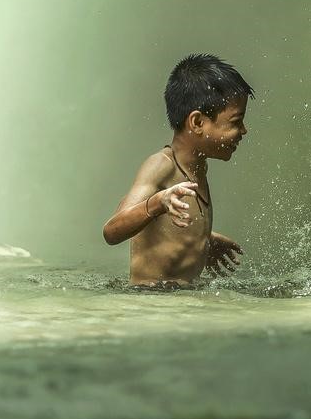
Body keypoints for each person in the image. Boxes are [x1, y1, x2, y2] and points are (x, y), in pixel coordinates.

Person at [102, 54, 252, 286]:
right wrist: (157, 202)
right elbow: (112, 231)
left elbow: (161, 232)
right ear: (198, 123)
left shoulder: (198, 166)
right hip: (149, 301)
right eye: (235, 122)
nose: (243, 131)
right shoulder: (161, 165)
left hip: (176, 300)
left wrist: (201, 239)